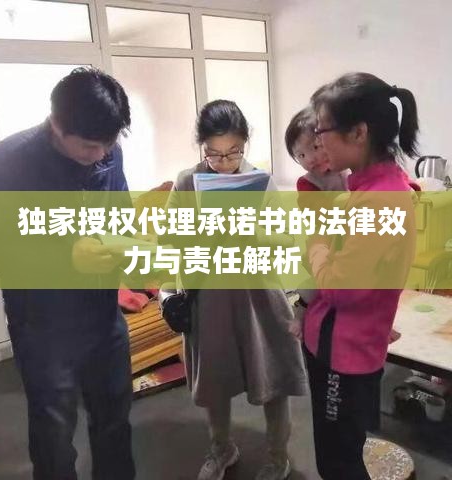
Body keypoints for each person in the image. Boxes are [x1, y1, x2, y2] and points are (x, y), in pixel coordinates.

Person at [0, 67, 136, 480]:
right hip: (42, 324)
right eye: (89, 146)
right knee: (54, 433)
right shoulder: (10, 163)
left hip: (103, 315)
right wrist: (67, 259)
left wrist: (128, 246)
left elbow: (120, 213)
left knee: (114, 420)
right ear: (56, 124)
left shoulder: (108, 151)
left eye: (108, 144)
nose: (100, 155)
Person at [169, 99, 307, 480]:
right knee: (215, 381)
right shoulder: (186, 181)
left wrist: (251, 229)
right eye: (213, 154)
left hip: (259, 295)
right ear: (202, 147)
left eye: (233, 152)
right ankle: (221, 449)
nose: (224, 163)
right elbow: (169, 241)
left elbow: (286, 241)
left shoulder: (260, 181)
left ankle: (278, 456)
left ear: (245, 143)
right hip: (209, 296)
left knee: (273, 377)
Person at [303, 72, 419, 479]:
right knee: (341, 451)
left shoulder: (380, 199)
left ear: (358, 133)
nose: (317, 143)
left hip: (343, 354)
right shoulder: (375, 185)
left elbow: (340, 288)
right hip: (342, 344)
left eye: (322, 131)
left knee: (338, 462)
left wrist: (315, 241)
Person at [284, 106, 404, 343]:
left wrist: (410, 189)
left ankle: (382, 323)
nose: (311, 159)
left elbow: (386, 181)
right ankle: (300, 314)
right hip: (325, 244)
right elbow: (316, 212)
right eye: (301, 155)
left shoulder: (349, 169)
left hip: (351, 242)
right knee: (312, 287)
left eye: (315, 148)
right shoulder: (307, 182)